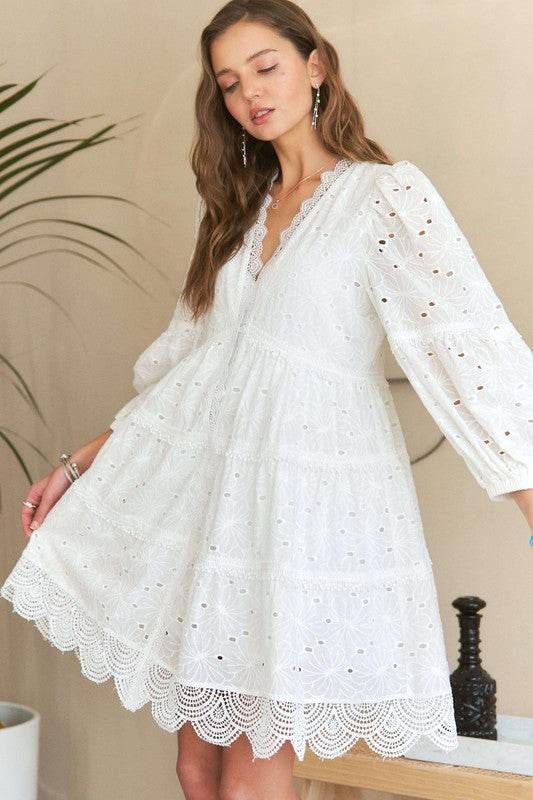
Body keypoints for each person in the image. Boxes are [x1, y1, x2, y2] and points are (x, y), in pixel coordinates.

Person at [3, 1, 533, 798]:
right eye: (228, 82)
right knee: (195, 769)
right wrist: (79, 465)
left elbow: (466, 345)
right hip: (216, 507)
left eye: (265, 66)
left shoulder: (383, 196)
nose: (248, 92)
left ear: (314, 66)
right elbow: (189, 369)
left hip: (301, 513)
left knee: (251, 781)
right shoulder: (235, 215)